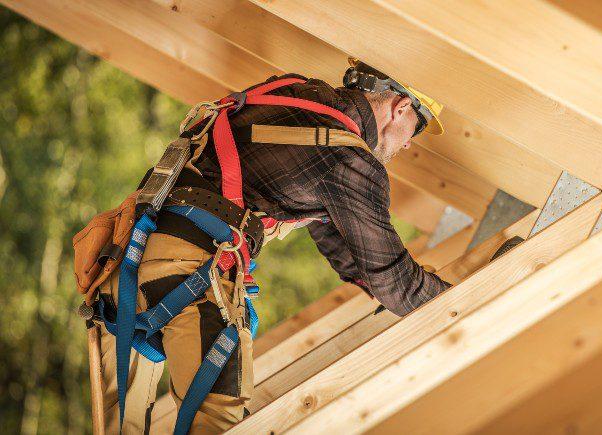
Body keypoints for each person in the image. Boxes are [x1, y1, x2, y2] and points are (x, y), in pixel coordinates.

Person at [88, 58, 451, 433]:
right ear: (401, 107)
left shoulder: (288, 92)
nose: (408, 142)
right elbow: (398, 283)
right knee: (217, 425)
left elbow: (333, 234)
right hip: (188, 273)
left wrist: (371, 285)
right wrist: (453, 300)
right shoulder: (351, 163)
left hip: (122, 264)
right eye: (415, 129)